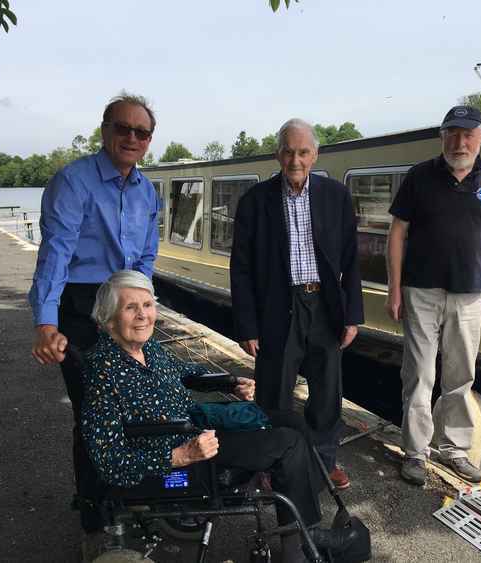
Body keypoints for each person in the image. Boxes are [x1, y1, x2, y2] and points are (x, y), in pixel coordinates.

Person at [81, 270, 359, 562]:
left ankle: (302, 524)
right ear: (109, 319)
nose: (143, 315)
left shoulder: (145, 346)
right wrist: (180, 455)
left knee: (293, 421)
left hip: (195, 428)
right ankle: (302, 544)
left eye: (147, 305)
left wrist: (228, 382)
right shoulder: (103, 372)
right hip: (179, 454)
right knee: (288, 444)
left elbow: (183, 372)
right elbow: (110, 462)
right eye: (130, 307)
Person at [28, 92, 160, 531]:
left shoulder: (147, 192)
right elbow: (56, 255)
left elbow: (145, 259)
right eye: (123, 128)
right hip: (81, 303)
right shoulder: (73, 182)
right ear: (105, 131)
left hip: (126, 300)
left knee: (137, 404)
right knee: (94, 409)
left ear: (148, 141)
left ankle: (133, 497)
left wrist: (141, 307)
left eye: (141, 132)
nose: (131, 138)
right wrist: (47, 324)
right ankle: (96, 513)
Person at [386, 105, 481, 485]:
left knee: (461, 376)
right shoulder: (419, 177)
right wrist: (394, 288)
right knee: (419, 374)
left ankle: (454, 450)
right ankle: (415, 452)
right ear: (442, 136)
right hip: (421, 292)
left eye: (468, 134)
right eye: (452, 133)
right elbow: (397, 233)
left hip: (469, 295)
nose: (460, 142)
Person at [230, 118, 364, 489]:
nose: (295, 160)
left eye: (303, 152)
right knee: (273, 393)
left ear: (315, 155)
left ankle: (324, 462)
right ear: (278, 154)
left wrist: (352, 315)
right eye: (288, 151)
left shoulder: (336, 196)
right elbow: (239, 269)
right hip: (278, 307)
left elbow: (352, 259)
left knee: (326, 393)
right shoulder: (255, 202)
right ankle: (271, 465)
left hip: (324, 306)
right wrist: (246, 325)